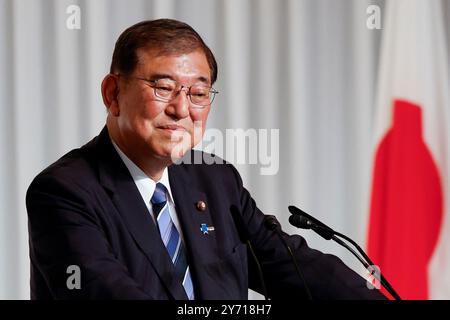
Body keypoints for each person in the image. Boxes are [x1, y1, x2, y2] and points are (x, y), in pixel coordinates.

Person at [26, 18, 385, 300]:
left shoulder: (215, 181)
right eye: (163, 87)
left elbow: (291, 264)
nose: (182, 108)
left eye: (198, 92)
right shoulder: (64, 192)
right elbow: (105, 291)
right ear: (113, 93)